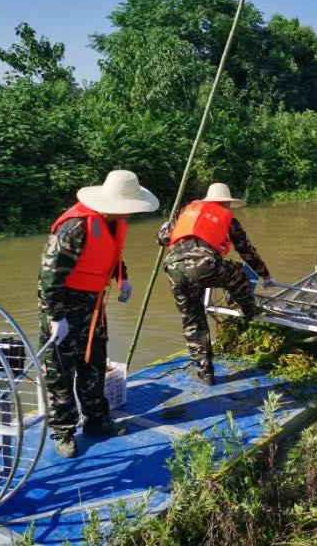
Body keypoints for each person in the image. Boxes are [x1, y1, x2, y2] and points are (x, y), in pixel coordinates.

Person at [38, 170, 159, 458]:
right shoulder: (75, 227)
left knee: (93, 366)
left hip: (93, 310)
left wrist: (122, 277)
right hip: (64, 310)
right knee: (60, 373)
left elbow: (111, 253)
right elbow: (48, 276)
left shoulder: (114, 223)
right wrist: (55, 317)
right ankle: (63, 432)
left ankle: (96, 420)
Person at [158, 183, 274, 386]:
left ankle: (205, 374)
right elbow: (246, 250)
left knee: (193, 320)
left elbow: (162, 239)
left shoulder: (182, 212)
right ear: (226, 203)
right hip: (204, 266)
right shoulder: (228, 219)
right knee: (238, 272)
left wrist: (165, 229)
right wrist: (265, 275)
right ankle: (247, 310)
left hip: (173, 269)